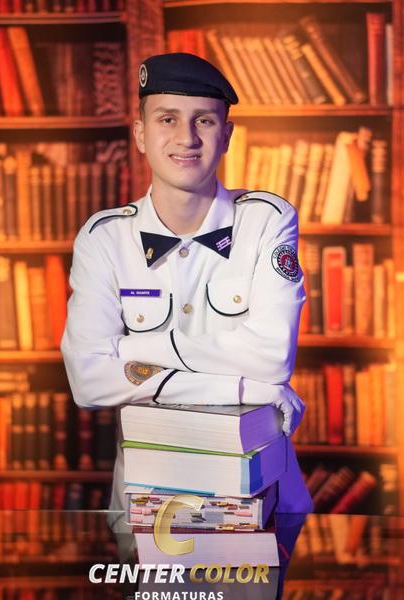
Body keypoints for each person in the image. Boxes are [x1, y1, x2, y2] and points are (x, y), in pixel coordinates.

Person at [61, 52, 313, 515]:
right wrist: (244, 389)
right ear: (140, 133)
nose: (186, 138)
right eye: (167, 119)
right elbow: (88, 380)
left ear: (227, 136)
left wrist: (138, 351)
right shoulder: (105, 238)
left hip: (262, 501)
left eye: (204, 121)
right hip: (143, 505)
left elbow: (272, 356)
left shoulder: (266, 221)